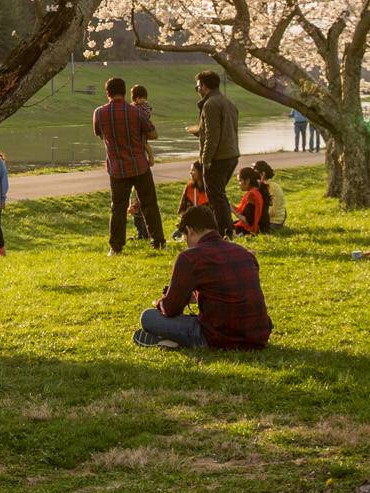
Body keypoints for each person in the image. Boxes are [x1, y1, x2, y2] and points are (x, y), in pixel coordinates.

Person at [133, 205, 273, 350]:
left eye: (185, 238)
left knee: (148, 317)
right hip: (257, 335)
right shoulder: (244, 253)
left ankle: (179, 341)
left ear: (189, 230)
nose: (187, 244)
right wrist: (195, 296)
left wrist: (161, 302)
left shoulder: (190, 257)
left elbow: (171, 309)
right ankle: (173, 341)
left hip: (219, 336)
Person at [93, 76, 164, 254]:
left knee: (118, 208)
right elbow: (153, 134)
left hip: (117, 168)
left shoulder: (99, 113)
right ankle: (158, 242)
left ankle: (116, 248)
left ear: (107, 93)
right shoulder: (136, 112)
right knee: (149, 204)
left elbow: (99, 134)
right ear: (125, 93)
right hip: (139, 165)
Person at [194, 71, 240, 237]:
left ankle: (224, 233)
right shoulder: (227, 102)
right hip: (231, 154)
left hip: (218, 158)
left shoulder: (210, 104)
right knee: (220, 195)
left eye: (198, 87)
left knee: (215, 198)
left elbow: (213, 135)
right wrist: (199, 132)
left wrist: (205, 160)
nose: (197, 90)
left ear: (204, 86)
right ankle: (227, 231)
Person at [173, 161, 210, 239]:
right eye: (191, 170)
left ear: (200, 172)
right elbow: (182, 207)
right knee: (175, 235)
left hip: (206, 223)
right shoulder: (189, 186)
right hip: (190, 222)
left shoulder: (209, 188)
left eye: (193, 170)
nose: (190, 173)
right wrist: (184, 220)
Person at [232, 166, 267, 236]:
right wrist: (231, 207)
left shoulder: (251, 195)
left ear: (247, 181)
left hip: (249, 230)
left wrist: (233, 210)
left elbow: (249, 221)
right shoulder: (256, 191)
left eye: (240, 180)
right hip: (257, 228)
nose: (239, 183)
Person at [252, 160, 286, 230]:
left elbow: (273, 211)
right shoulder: (259, 187)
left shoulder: (273, 187)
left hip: (274, 222)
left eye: (255, 175)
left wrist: (256, 216)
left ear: (263, 174)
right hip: (265, 220)